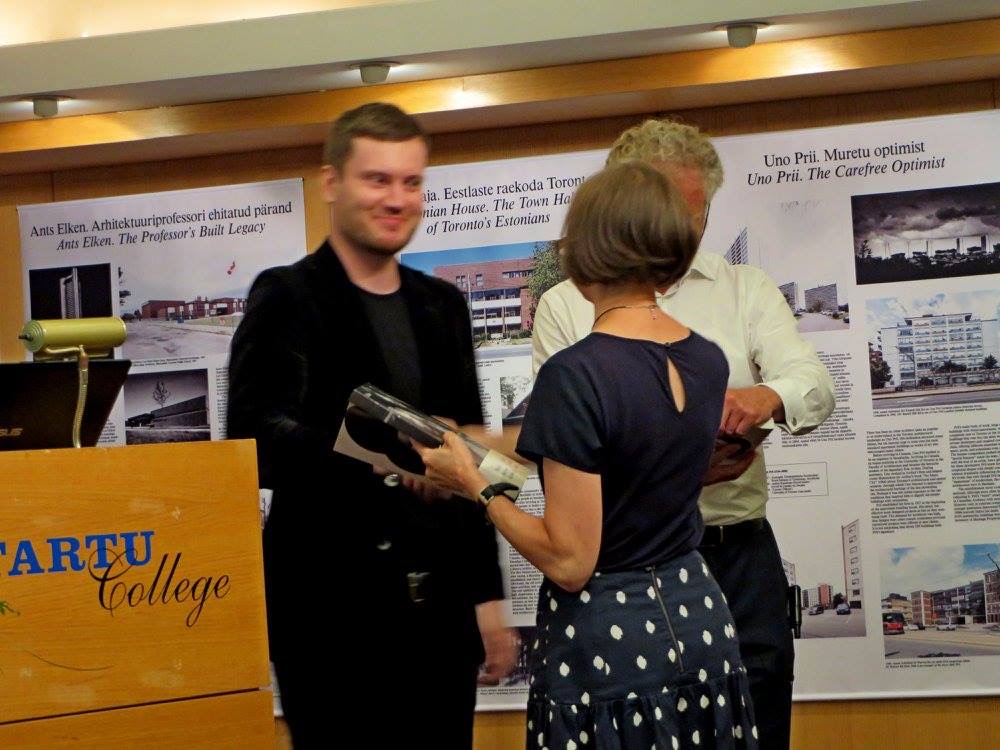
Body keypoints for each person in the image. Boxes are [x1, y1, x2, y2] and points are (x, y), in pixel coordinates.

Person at [418, 161, 759, 749]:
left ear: (588, 249)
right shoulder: (706, 359)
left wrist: (475, 485)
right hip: (701, 618)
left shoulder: (574, 374)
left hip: (610, 643)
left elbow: (570, 559)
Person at [531, 119, 836, 750]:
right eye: (664, 211)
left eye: (695, 218)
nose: (679, 235)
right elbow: (571, 451)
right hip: (624, 575)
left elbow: (812, 382)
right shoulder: (565, 306)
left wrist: (767, 398)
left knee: (755, 725)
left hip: (738, 554)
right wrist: (681, 457)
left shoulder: (743, 289)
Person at [226, 102, 517, 748]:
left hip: (441, 621)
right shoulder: (287, 296)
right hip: (330, 619)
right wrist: (391, 456)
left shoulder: (442, 306)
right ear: (332, 183)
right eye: (377, 179)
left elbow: (465, 457)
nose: (397, 199)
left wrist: (488, 601)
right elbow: (254, 438)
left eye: (411, 182)